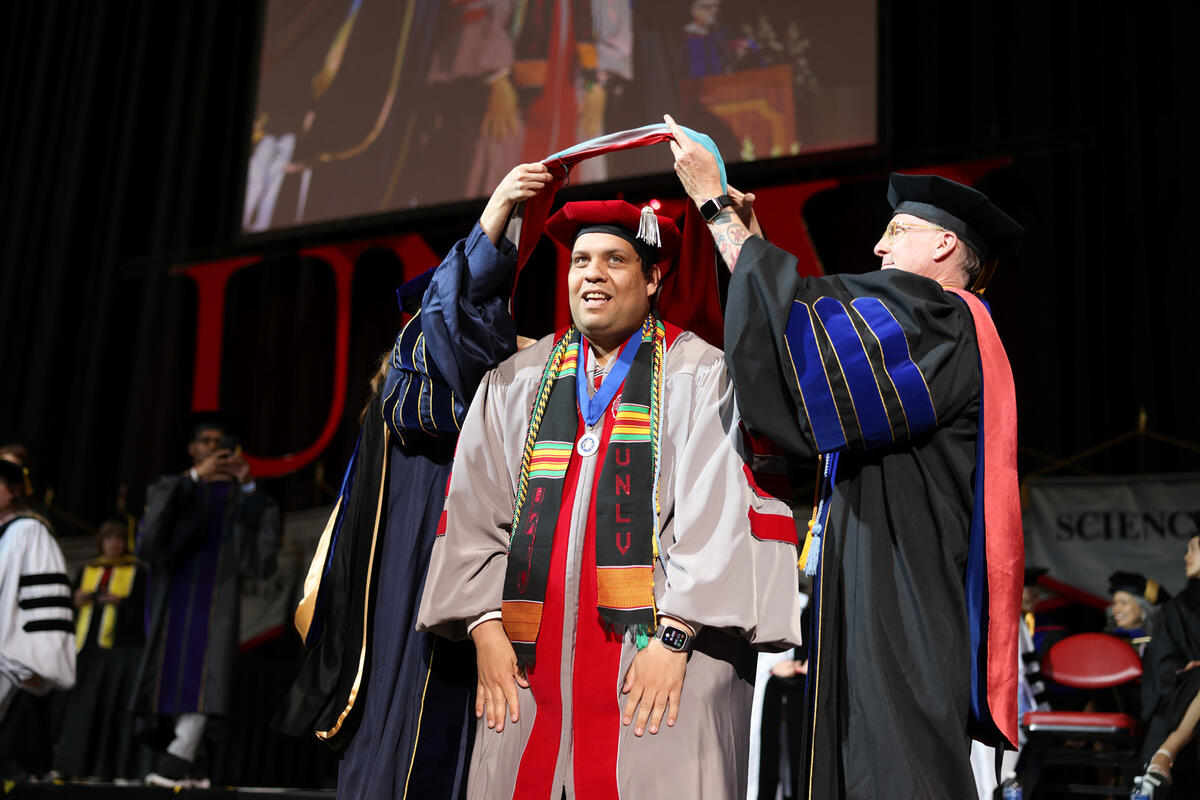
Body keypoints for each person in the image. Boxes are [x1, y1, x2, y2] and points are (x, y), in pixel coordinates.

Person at [665, 114, 1025, 799]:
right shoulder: (940, 327)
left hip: (906, 585)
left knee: (897, 768)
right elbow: (820, 339)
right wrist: (755, 244)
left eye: (898, 233)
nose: (878, 246)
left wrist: (715, 208)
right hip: (886, 573)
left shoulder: (940, 316)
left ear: (946, 243)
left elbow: (816, 339)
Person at [417, 198, 804, 800]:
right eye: (580, 261)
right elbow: (473, 513)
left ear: (652, 279)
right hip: (526, 672)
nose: (591, 273)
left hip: (661, 666)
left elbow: (719, 517)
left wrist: (675, 638)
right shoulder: (517, 381)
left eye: (615, 260)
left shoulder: (700, 376)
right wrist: (486, 628)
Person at [275, 162, 551, 800]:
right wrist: (497, 214)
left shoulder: (490, 385)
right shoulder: (417, 392)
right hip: (423, 599)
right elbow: (453, 318)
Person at [132, 415, 281, 788]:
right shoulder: (179, 489)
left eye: (221, 444)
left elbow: (259, 562)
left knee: (207, 674)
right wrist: (196, 476)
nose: (214, 448)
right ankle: (195, 765)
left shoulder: (242, 501)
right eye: (206, 442)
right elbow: (149, 543)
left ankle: (180, 757)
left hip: (218, 604)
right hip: (175, 602)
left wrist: (248, 487)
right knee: (172, 674)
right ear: (192, 449)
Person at [54, 519, 148, 780]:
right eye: (108, 539)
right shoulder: (88, 569)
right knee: (80, 711)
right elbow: (65, 603)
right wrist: (76, 599)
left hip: (119, 655)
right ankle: (71, 766)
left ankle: (108, 769)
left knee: (110, 712)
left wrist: (121, 603)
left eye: (118, 539)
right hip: (86, 650)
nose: (113, 544)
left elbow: (145, 611)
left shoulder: (137, 572)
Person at [0, 456, 74, 780]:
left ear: (13, 490)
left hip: (6, 656)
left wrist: (38, 659)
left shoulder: (28, 531)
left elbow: (46, 601)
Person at [1132, 535, 1200, 798]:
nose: (1186, 556)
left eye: (1193, 549)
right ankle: (1163, 757)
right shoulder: (1177, 609)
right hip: (1183, 689)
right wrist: (1184, 671)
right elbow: (1164, 661)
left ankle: (1164, 755)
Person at [1107, 570, 1166, 654]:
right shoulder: (1106, 640)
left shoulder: (1157, 645)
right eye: (1115, 603)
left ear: (1143, 609)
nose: (1117, 608)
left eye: (1124, 603)